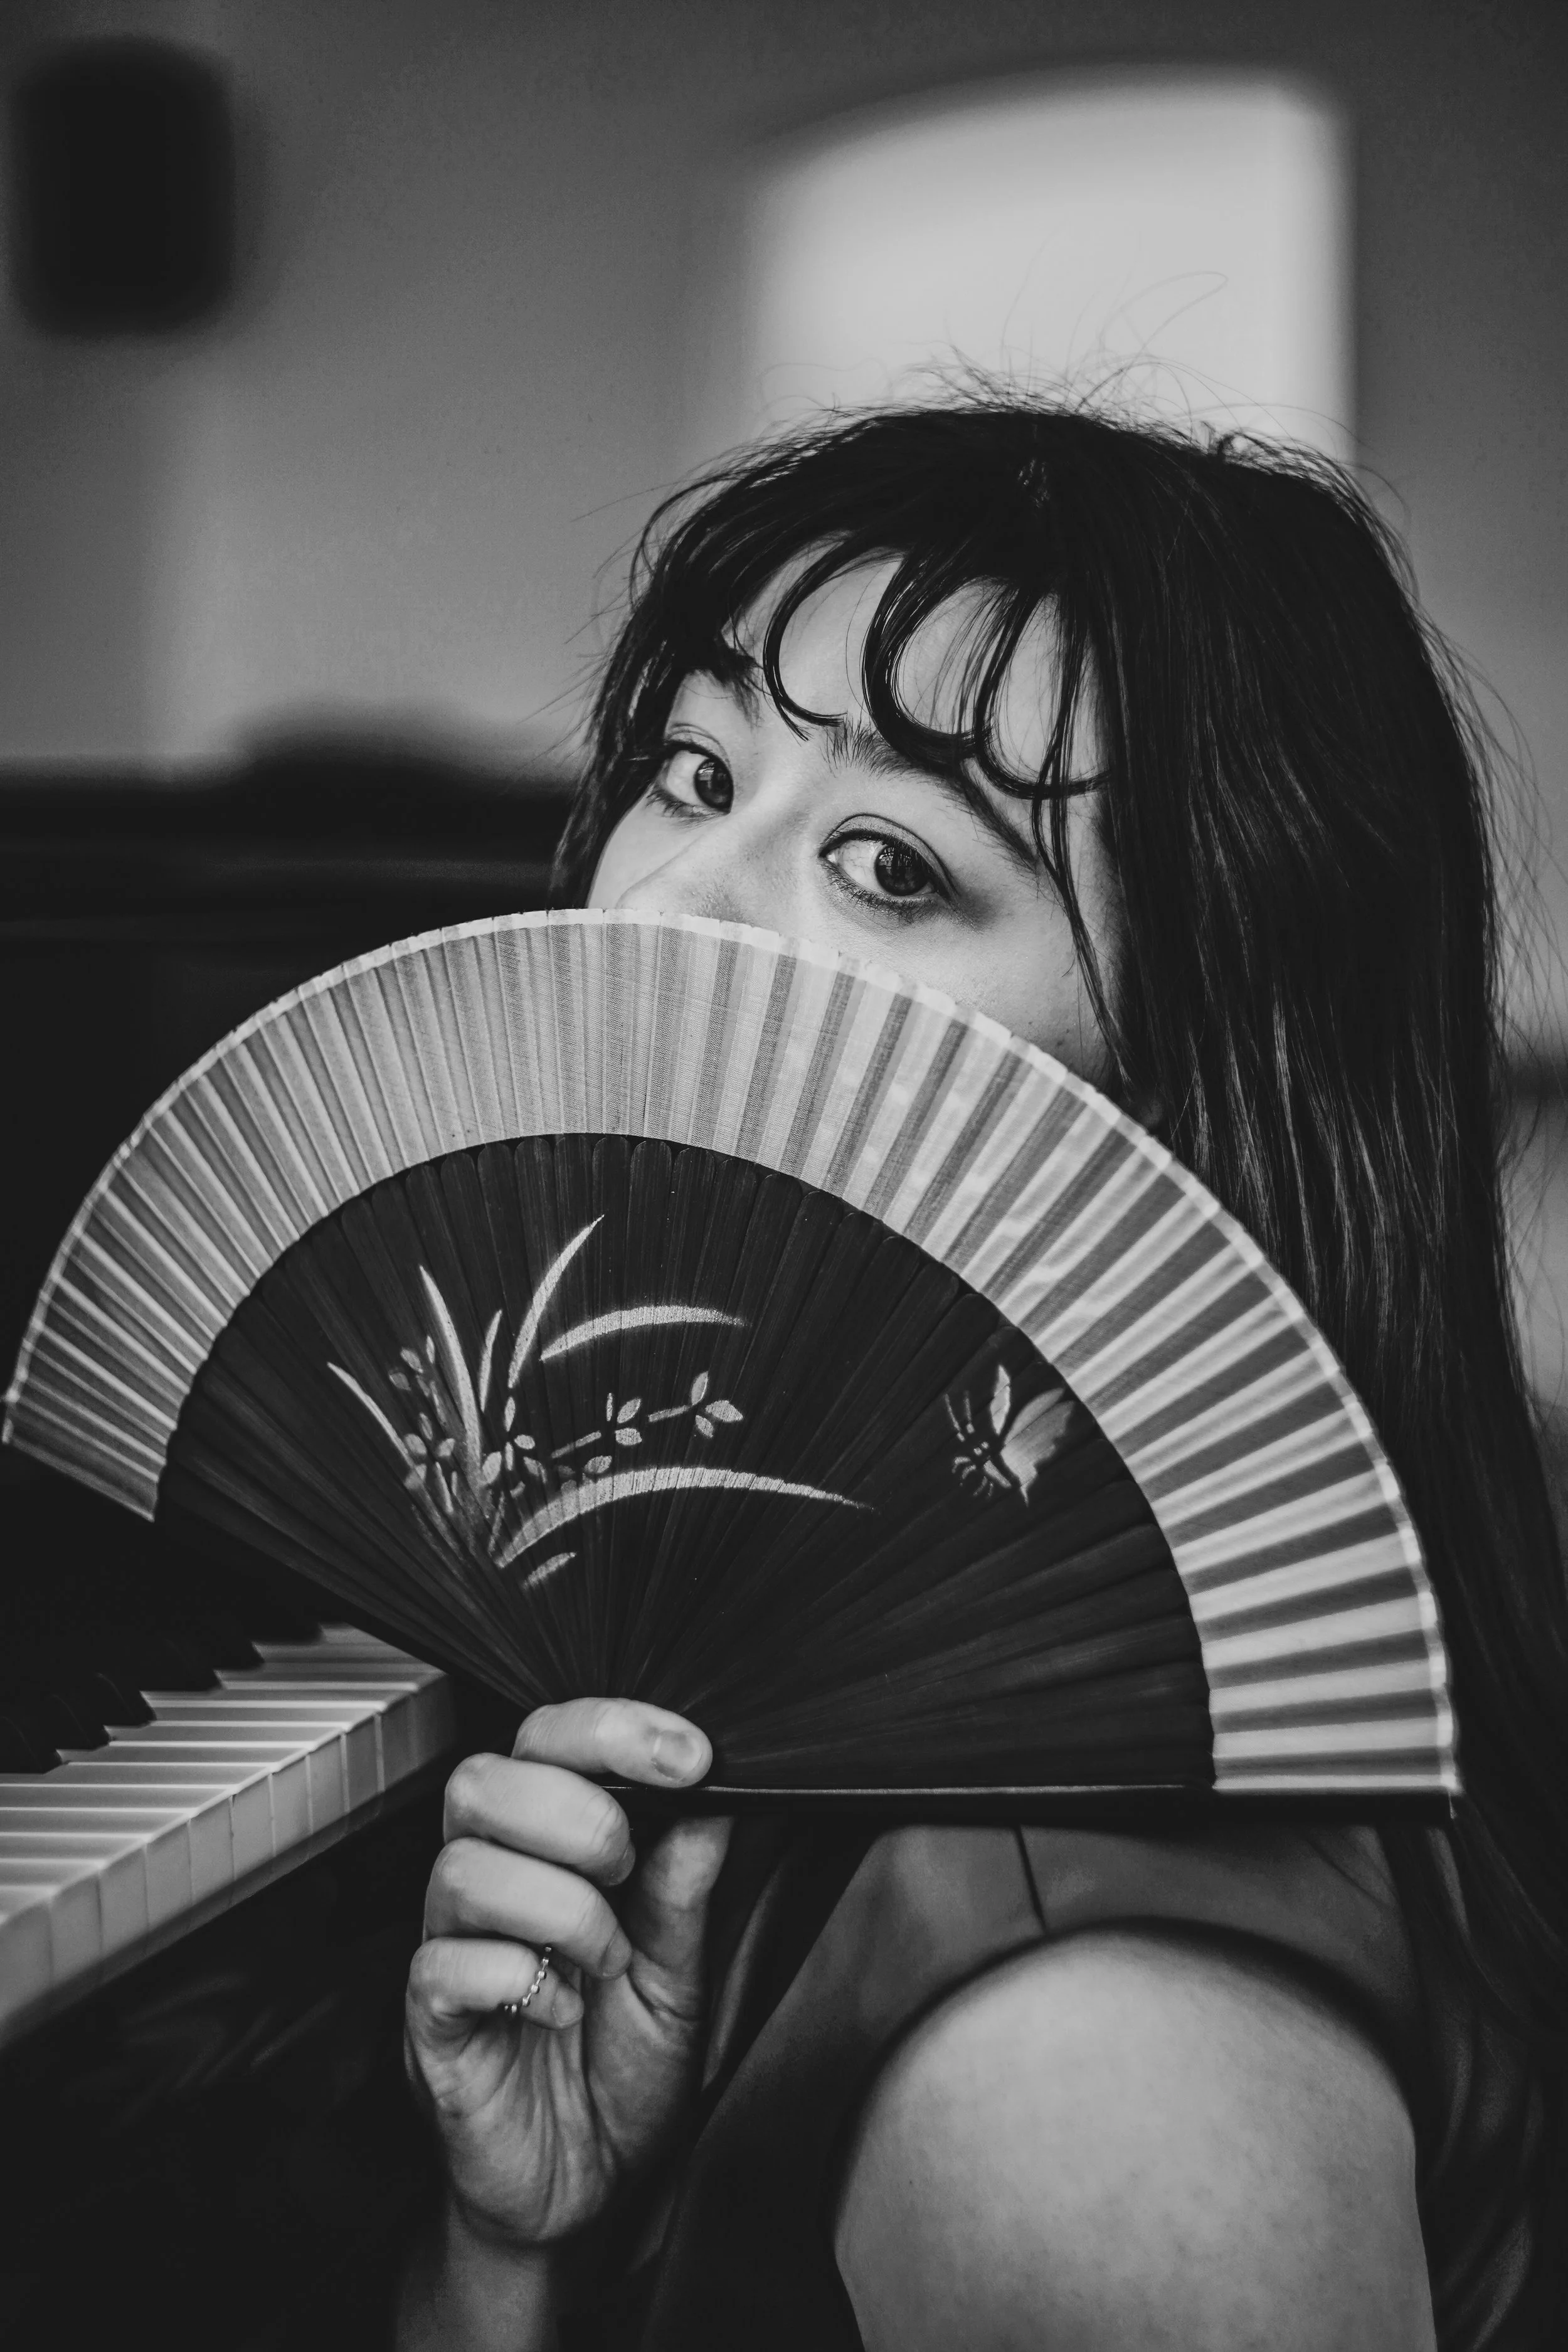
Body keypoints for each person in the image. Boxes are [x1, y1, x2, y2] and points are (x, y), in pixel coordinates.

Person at [395, 401, 1568, 2349]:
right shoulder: (787, 1663)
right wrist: (516, 2256)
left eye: (888, 863)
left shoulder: (1098, 2064)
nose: (666, 905)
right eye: (693, 770)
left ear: (1185, 1088)